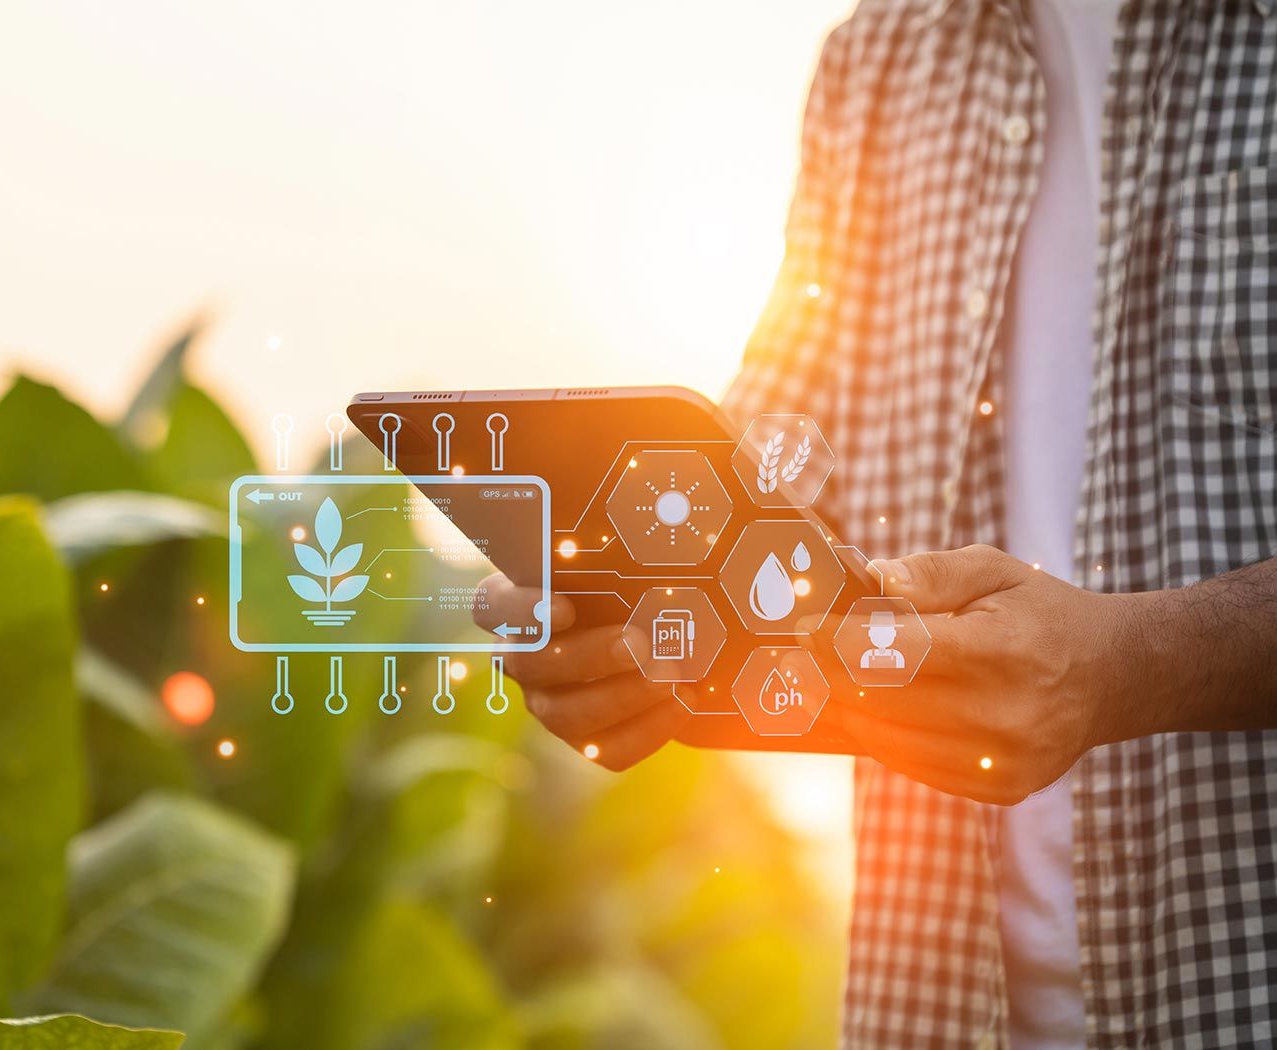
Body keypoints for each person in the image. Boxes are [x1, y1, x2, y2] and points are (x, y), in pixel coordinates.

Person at [476, 1, 1277, 1045]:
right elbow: (776, 469)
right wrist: (626, 611)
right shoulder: (879, 63)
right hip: (940, 1004)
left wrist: (1132, 664)